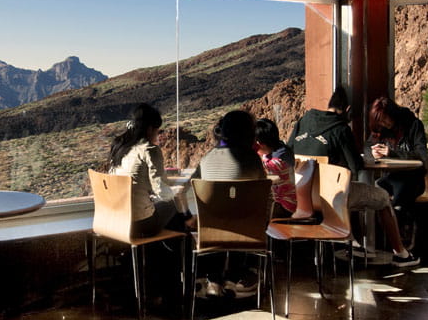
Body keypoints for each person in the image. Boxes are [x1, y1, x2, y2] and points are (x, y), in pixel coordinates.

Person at [289, 87, 419, 267]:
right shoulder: (341, 129)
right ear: (348, 110)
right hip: (332, 197)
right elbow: (356, 167)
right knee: (382, 198)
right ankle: (402, 254)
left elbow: (289, 154)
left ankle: (355, 242)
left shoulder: (302, 122)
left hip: (303, 197)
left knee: (359, 191)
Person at [195, 110, 266, 296]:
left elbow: (192, 191)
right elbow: (263, 196)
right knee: (240, 215)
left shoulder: (206, 159)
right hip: (248, 233)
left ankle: (213, 279)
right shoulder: (252, 159)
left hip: (210, 232)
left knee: (220, 216)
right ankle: (236, 278)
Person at [106, 103, 191, 238]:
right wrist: (176, 191)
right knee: (173, 207)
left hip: (115, 220)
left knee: (168, 211)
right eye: (158, 131)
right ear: (150, 129)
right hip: (139, 223)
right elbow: (161, 190)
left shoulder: (119, 148)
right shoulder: (149, 150)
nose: (157, 135)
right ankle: (182, 252)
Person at [365, 96, 428, 207]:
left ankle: (397, 219)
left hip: (413, 179)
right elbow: (368, 147)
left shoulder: (413, 125)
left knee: (398, 195)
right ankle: (387, 220)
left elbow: (422, 155)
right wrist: (373, 152)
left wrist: (392, 153)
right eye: (380, 121)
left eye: (385, 119)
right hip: (391, 177)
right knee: (377, 187)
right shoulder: (382, 130)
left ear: (392, 113)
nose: (384, 123)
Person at [255, 118, 296, 219]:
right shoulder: (280, 148)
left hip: (285, 207)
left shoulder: (277, 162)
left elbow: (260, 178)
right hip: (289, 202)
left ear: (259, 144)